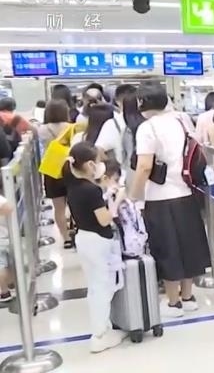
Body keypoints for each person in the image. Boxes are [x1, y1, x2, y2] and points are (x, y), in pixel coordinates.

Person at [129, 83, 211, 319]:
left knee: (167, 249)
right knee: (188, 246)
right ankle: (188, 297)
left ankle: (173, 302)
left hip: (159, 198)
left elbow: (144, 166)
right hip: (186, 192)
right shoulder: (181, 120)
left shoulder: (147, 128)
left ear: (142, 102)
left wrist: (134, 196)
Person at [63, 142, 126, 352]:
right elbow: (104, 219)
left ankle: (103, 328)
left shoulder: (73, 187)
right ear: (90, 164)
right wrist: (116, 201)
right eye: (98, 161)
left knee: (95, 286)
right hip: (97, 241)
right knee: (102, 287)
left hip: (84, 238)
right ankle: (100, 334)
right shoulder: (90, 190)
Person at [38, 100, 74, 248]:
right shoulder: (70, 127)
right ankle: (75, 230)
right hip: (70, 167)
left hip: (52, 170)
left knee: (58, 208)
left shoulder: (42, 129)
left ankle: (66, 238)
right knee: (74, 204)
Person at [95, 85, 134, 167]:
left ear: (117, 101)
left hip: (124, 170)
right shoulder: (146, 121)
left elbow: (99, 151)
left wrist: (113, 166)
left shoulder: (112, 124)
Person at [0, 194, 13, 302]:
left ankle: (4, 292)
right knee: (7, 263)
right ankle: (11, 284)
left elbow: (8, 208)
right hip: (5, 236)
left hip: (2, 237)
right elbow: (9, 207)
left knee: (1, 265)